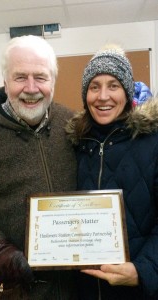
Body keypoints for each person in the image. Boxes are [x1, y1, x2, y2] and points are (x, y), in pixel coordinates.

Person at [66, 44, 158, 299]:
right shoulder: (75, 144)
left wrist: (143, 270)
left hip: (137, 291)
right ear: (86, 94)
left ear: (127, 92)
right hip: (83, 289)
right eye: (94, 86)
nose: (103, 96)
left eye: (113, 86)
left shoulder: (152, 142)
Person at [0, 35, 77, 300]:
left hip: (75, 286)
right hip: (12, 289)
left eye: (40, 77)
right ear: (5, 81)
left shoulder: (72, 123)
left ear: (53, 81)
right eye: (20, 77)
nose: (31, 88)